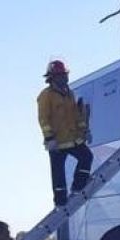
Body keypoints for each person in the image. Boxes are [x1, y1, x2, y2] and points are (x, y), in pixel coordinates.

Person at [37, 59, 93, 206]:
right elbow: (43, 118)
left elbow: (77, 116)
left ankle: (78, 185)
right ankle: (60, 201)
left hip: (73, 138)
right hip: (56, 141)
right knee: (58, 172)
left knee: (87, 157)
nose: (64, 78)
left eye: (65, 74)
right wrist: (49, 138)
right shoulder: (46, 95)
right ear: (52, 78)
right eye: (60, 75)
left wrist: (85, 131)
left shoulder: (69, 94)